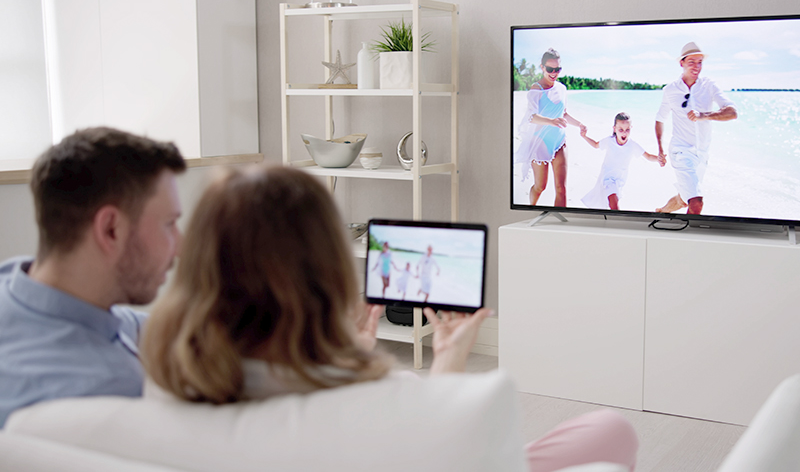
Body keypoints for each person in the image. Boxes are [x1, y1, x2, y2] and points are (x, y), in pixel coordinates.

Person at [141, 165, 638, 472]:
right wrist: (447, 361)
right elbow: (448, 442)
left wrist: (351, 356)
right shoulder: (391, 399)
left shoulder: (164, 385)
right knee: (612, 430)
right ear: (329, 267)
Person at [0, 127, 186, 427]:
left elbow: (126, 324)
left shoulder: (13, 280)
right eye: (170, 225)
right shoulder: (109, 386)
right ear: (110, 229)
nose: (179, 246)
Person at [655, 42, 738, 215]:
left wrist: (704, 115)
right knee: (697, 202)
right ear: (682, 63)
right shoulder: (670, 90)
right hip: (680, 151)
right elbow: (660, 120)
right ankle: (685, 240)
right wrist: (660, 149)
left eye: (700, 62)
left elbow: (732, 112)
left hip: (702, 153)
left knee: (685, 199)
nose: (696, 66)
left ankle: (661, 212)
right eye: (692, 61)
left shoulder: (709, 86)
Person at [515, 48, 587, 206]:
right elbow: (531, 117)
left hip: (559, 141)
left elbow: (564, 113)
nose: (554, 73)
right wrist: (551, 121)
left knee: (561, 188)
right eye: (550, 69)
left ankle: (560, 225)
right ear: (542, 67)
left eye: (557, 69)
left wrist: (579, 124)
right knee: (541, 186)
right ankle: (530, 209)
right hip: (540, 143)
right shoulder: (536, 89)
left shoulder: (562, 89)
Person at [581, 113, 660, 210]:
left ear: (631, 128)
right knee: (614, 205)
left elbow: (648, 156)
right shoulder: (609, 141)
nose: (624, 133)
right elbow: (596, 145)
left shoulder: (632, 145)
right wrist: (585, 136)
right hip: (607, 178)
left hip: (620, 180)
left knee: (611, 204)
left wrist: (658, 159)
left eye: (627, 130)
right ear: (614, 129)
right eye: (621, 130)